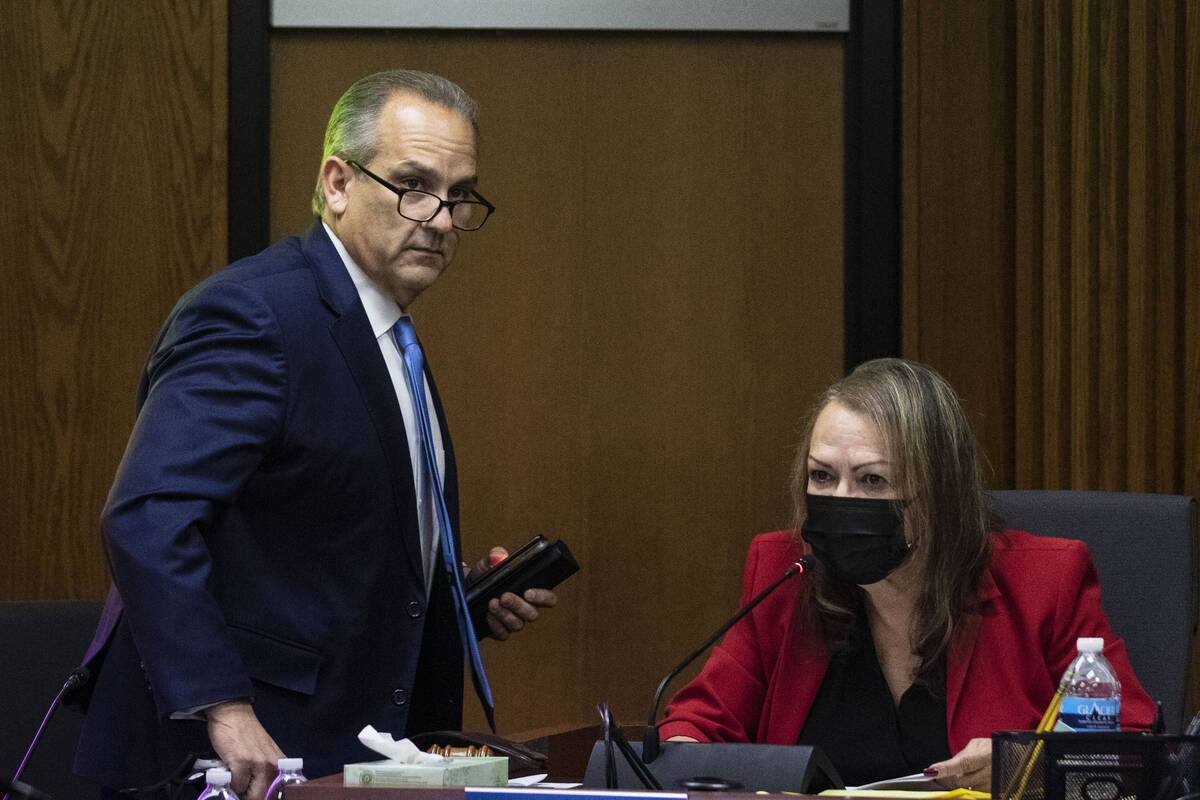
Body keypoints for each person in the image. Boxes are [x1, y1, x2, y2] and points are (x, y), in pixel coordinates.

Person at [71, 69, 557, 799]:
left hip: (346, 753)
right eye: (413, 184)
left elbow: (314, 548)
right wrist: (224, 706)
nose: (440, 218)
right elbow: (147, 516)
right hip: (236, 760)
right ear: (337, 182)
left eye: (459, 197)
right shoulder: (257, 315)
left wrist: (460, 598)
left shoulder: (387, 336)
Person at [657, 358, 1154, 789]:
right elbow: (696, 728)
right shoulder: (784, 576)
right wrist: (683, 753)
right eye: (822, 476)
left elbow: (1136, 752)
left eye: (873, 480)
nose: (840, 502)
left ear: (940, 494)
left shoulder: (1045, 581)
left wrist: (1024, 765)